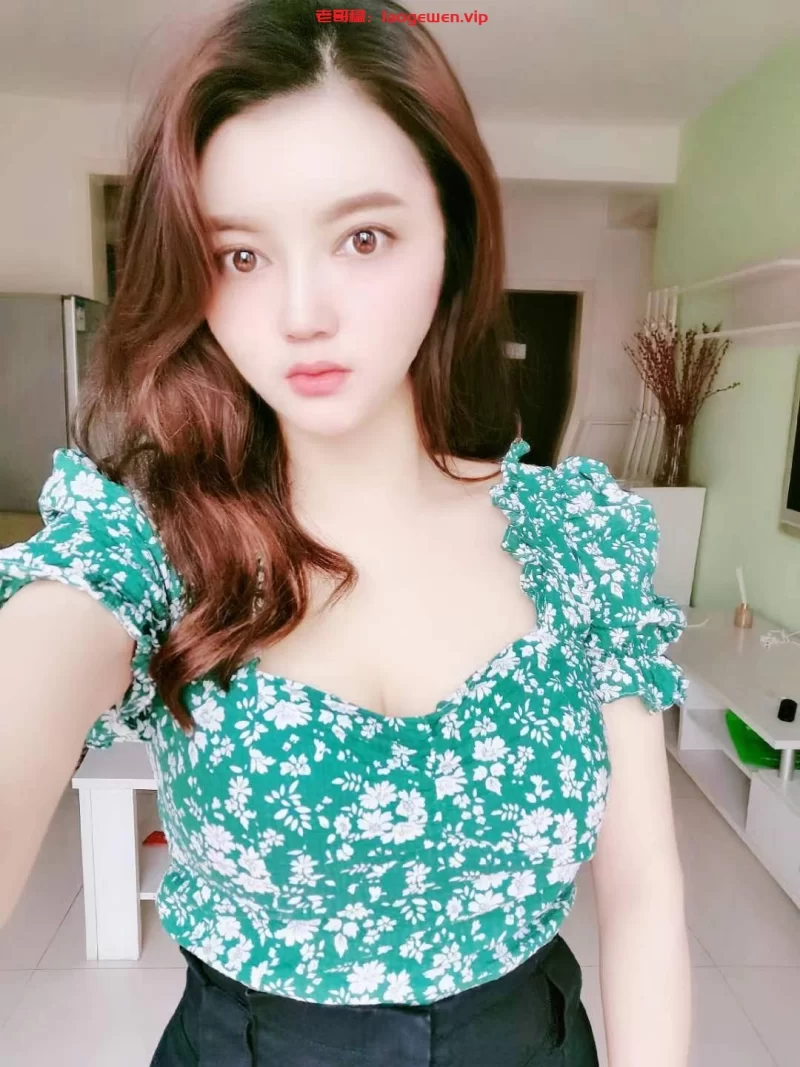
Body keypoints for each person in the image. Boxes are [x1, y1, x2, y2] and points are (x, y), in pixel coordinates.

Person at [0, 1, 692, 1064]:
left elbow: (640, 887)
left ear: (451, 235)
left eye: (362, 237)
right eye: (239, 254)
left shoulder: (575, 538)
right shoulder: (146, 543)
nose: (300, 312)